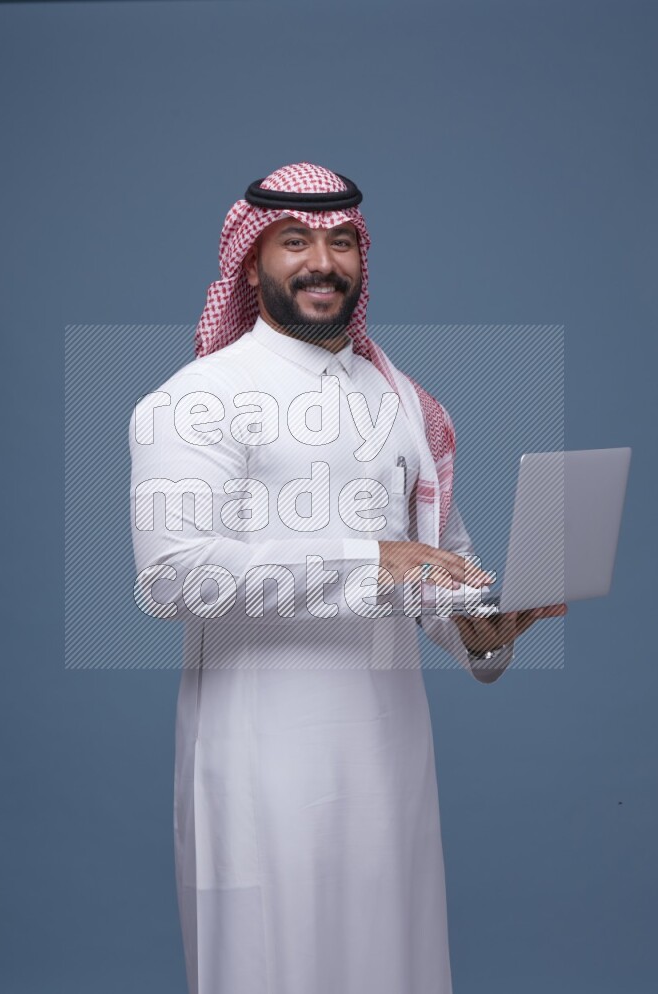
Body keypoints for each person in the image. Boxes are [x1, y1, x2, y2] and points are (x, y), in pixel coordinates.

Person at [128, 162, 566, 994]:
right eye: (295, 241)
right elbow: (172, 576)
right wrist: (367, 559)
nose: (320, 261)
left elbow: (437, 564)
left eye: (340, 242)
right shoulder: (198, 400)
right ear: (252, 260)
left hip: (389, 754)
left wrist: (477, 628)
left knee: (392, 967)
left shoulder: (405, 401)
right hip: (259, 757)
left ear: (363, 257)